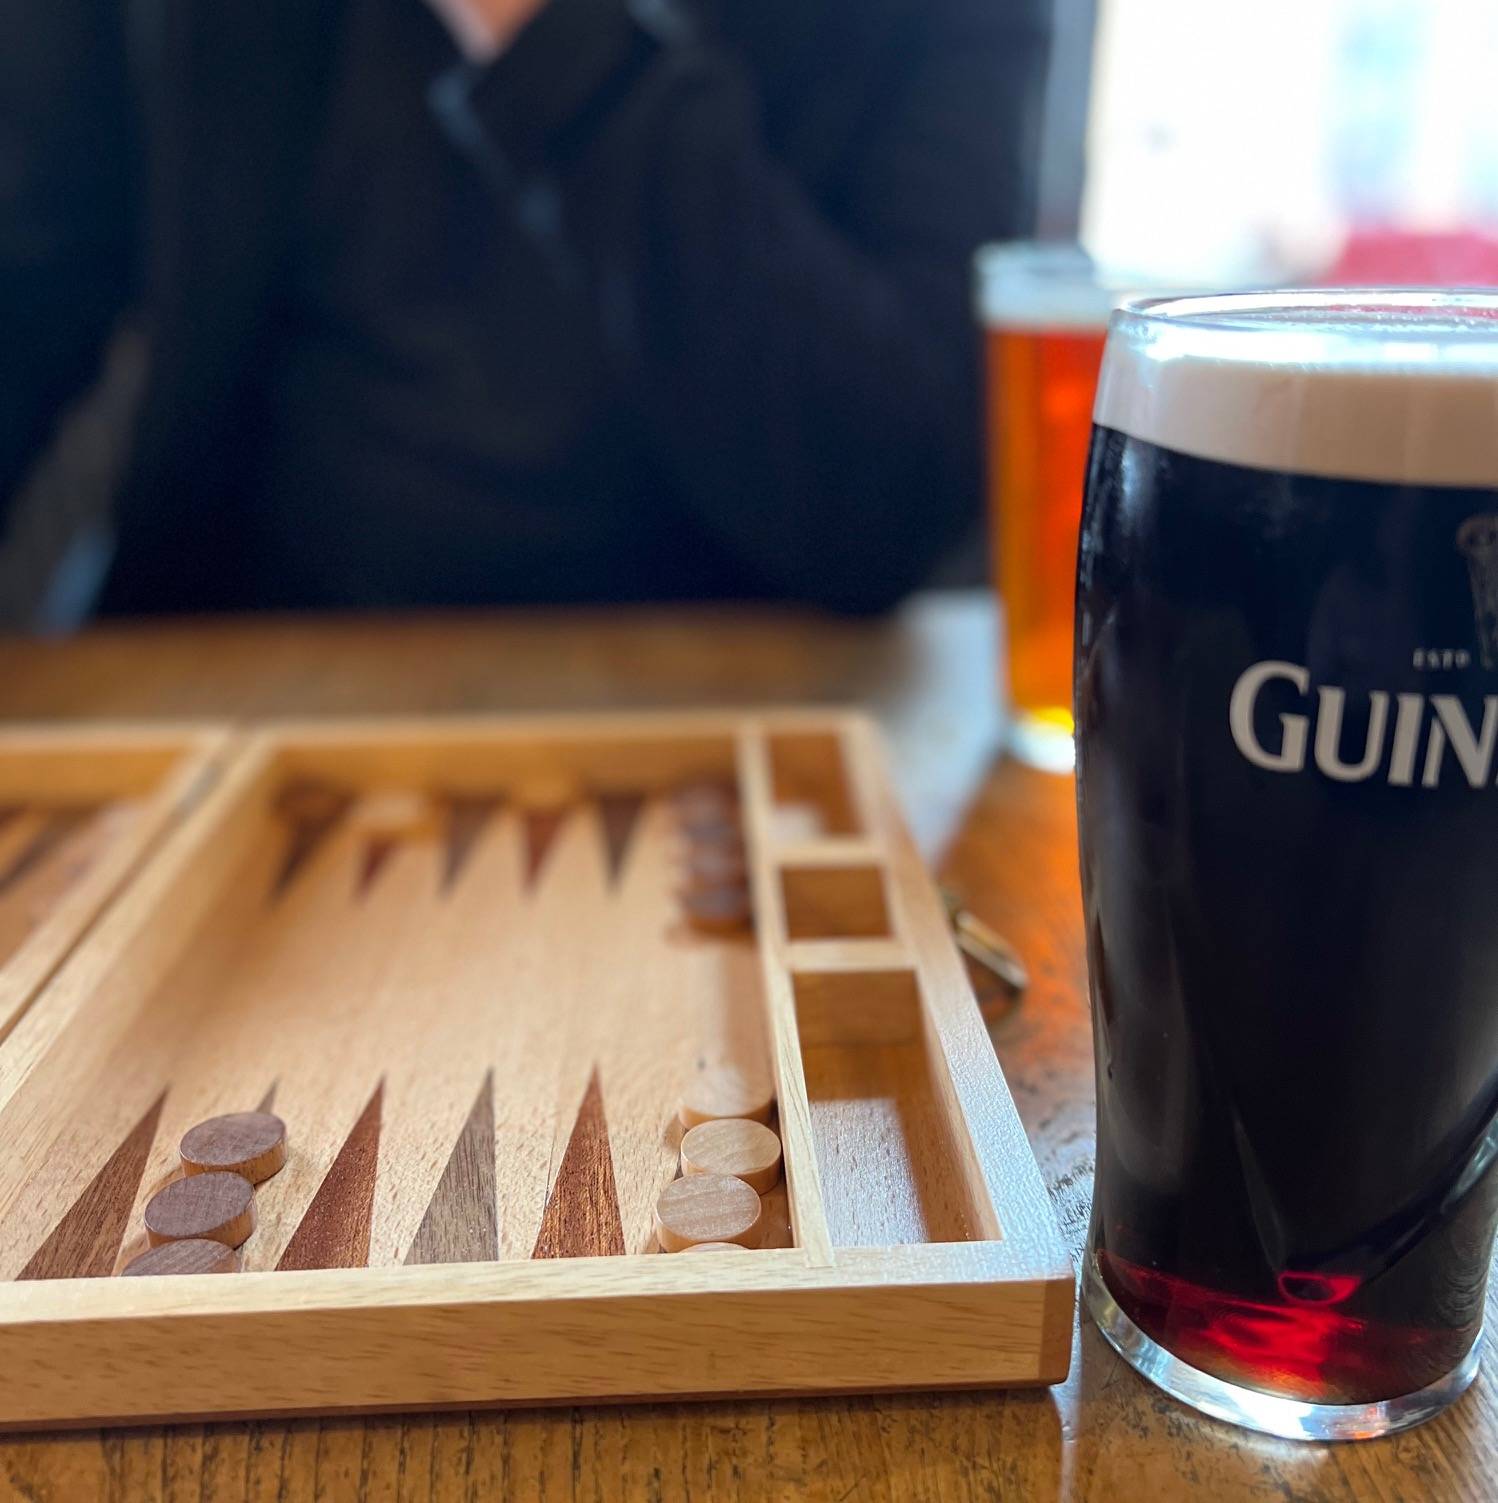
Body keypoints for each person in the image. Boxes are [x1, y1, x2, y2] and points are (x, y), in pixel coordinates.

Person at [1, 0, 1050, 616]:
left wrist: (546, 36)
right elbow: (35, 278)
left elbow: (893, 495)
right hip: (235, 673)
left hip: (734, 710)